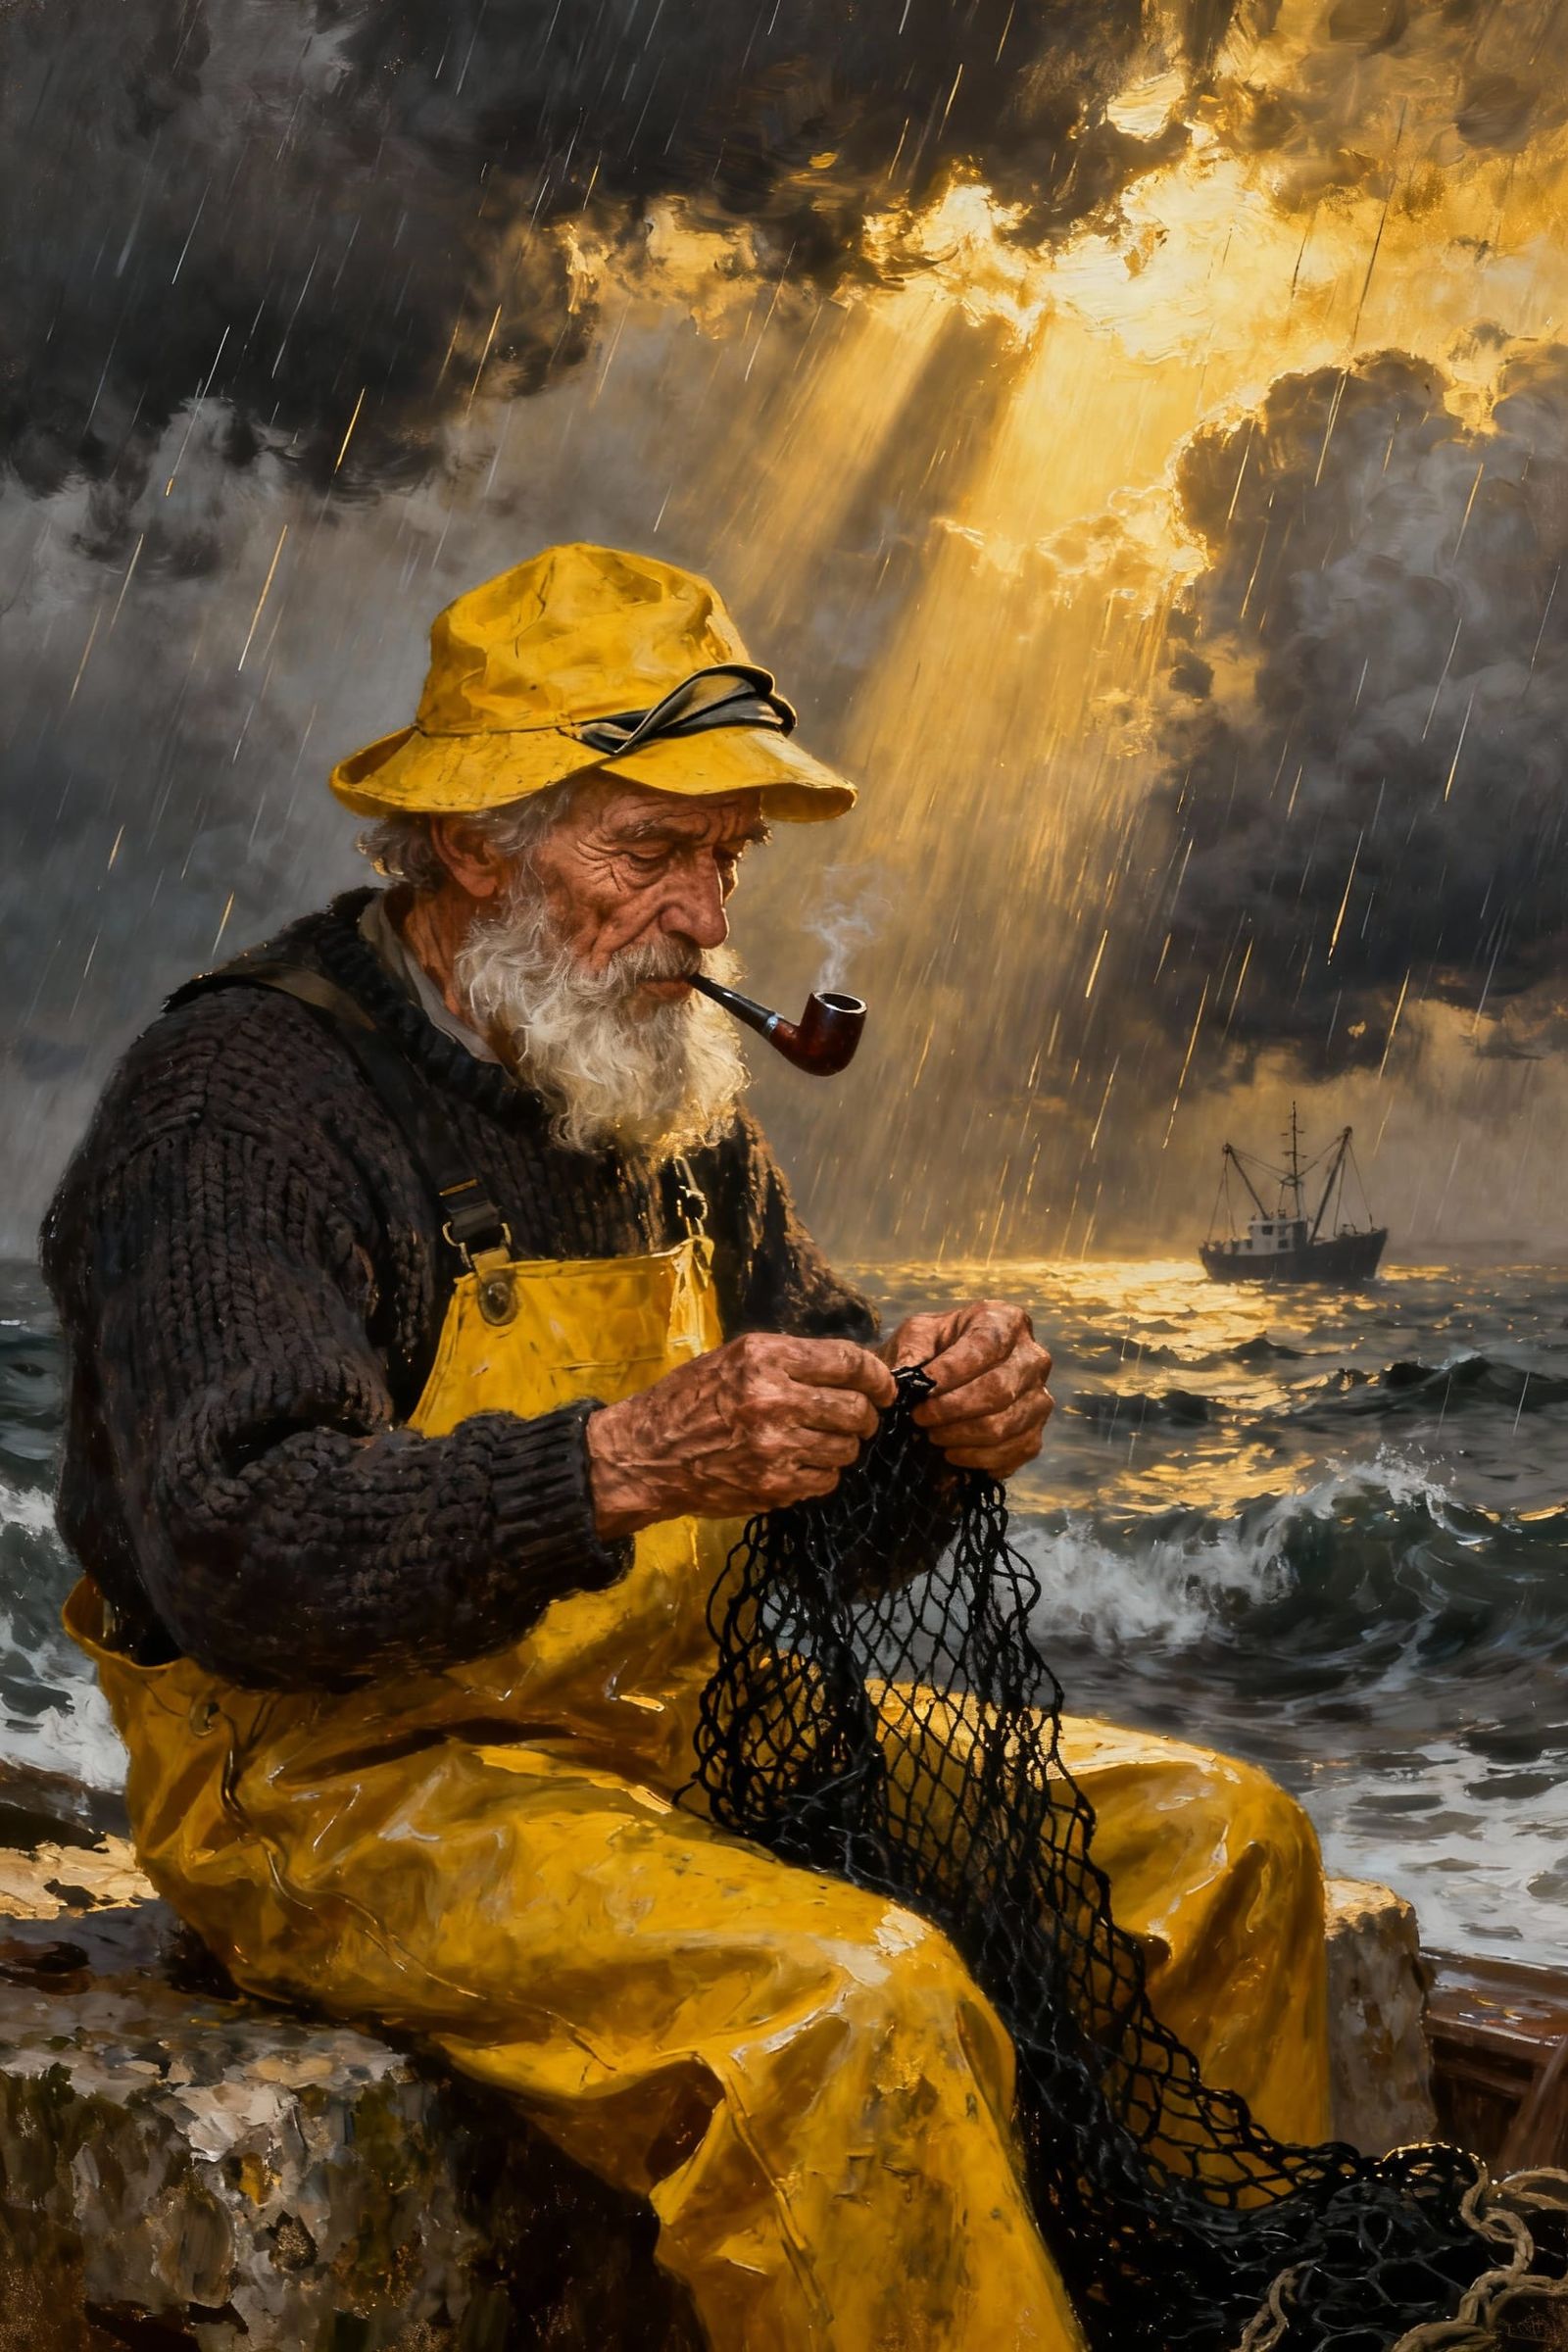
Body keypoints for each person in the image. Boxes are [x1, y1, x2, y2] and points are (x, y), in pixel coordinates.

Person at [43, 543, 1329, 2352]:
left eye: (729, 859)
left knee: (1220, 1847)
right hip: (336, 1781)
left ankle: (1213, 2317)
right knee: (853, 2003)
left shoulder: (656, 1089)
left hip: (665, 1722)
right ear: (474, 841)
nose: (709, 921)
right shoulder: (244, 1104)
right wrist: (620, 1465)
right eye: (651, 851)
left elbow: (824, 1517)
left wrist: (939, 1426)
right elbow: (235, 1550)